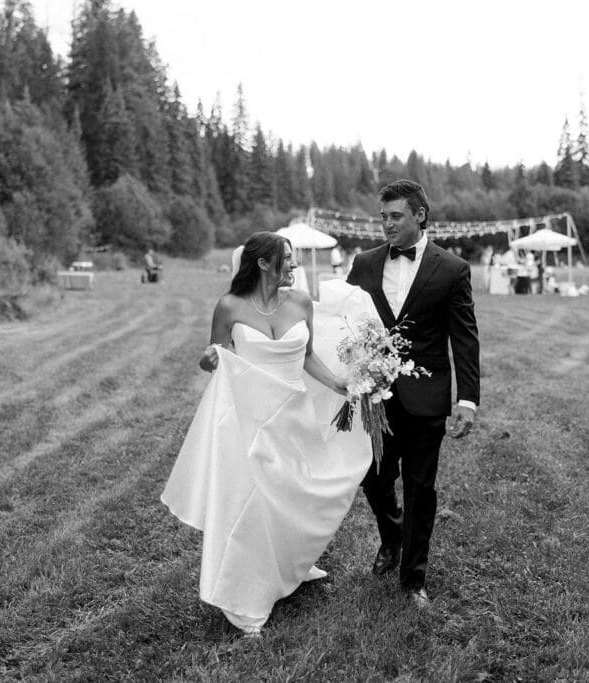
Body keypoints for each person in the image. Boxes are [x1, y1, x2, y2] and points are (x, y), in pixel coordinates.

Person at [160, 232, 374, 635]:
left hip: (294, 417)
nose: (294, 266)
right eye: (287, 259)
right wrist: (208, 359)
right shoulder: (229, 306)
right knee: (252, 504)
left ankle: (291, 563)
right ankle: (246, 600)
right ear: (262, 263)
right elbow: (215, 357)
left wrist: (338, 384)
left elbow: (307, 356)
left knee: (294, 497)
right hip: (247, 419)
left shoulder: (299, 303)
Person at [346, 180, 480, 607]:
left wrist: (468, 399)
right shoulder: (363, 264)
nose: (386, 225)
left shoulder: (452, 269)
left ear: (420, 215)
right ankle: (391, 538)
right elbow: (343, 322)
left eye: (395, 216)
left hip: (427, 398)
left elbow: (465, 339)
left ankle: (413, 580)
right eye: (383, 217)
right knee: (374, 479)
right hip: (375, 397)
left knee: (422, 488)